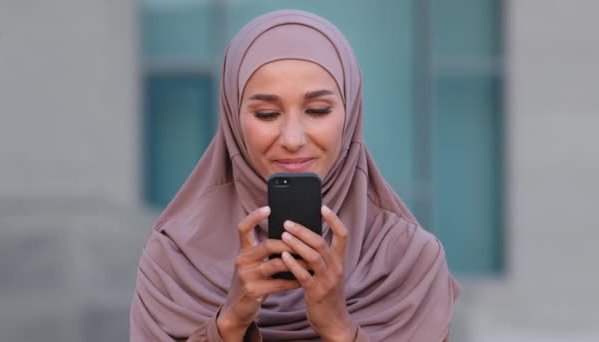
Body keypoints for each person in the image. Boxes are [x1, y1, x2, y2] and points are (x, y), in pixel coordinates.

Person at [130, 9, 460, 342]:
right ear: (232, 115)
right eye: (267, 114)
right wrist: (229, 323)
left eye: (318, 110)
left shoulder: (408, 260)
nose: (292, 139)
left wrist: (339, 328)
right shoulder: (176, 256)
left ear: (351, 112)